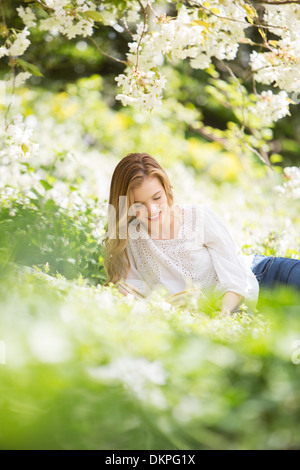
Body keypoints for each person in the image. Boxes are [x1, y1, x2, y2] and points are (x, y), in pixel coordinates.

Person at [103, 153, 300, 315]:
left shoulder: (197, 218)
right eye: (139, 205)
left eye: (157, 197)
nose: (152, 210)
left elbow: (237, 278)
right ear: (127, 205)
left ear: (166, 188)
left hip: (261, 275)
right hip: (234, 313)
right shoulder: (130, 240)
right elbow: (131, 295)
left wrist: (219, 316)